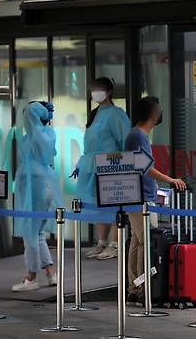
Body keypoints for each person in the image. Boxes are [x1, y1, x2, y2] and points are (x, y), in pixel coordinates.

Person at [124, 96, 186, 305]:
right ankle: (142, 288)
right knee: (145, 243)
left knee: (137, 241)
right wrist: (170, 180)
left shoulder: (137, 135)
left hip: (139, 195)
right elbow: (145, 168)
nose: (161, 114)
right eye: (158, 110)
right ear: (151, 113)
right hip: (141, 197)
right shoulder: (138, 136)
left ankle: (134, 287)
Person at [72, 77, 131, 260]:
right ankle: (102, 242)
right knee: (99, 205)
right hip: (94, 165)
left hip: (112, 165)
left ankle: (115, 244)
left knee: (113, 204)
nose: (95, 92)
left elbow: (125, 140)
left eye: (98, 89)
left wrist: (124, 163)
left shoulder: (116, 113)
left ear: (109, 91)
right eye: (93, 88)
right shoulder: (95, 113)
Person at [11, 101, 61, 292]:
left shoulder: (29, 139)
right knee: (38, 233)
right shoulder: (49, 135)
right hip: (46, 186)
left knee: (30, 233)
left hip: (33, 188)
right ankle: (50, 273)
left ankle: (31, 277)